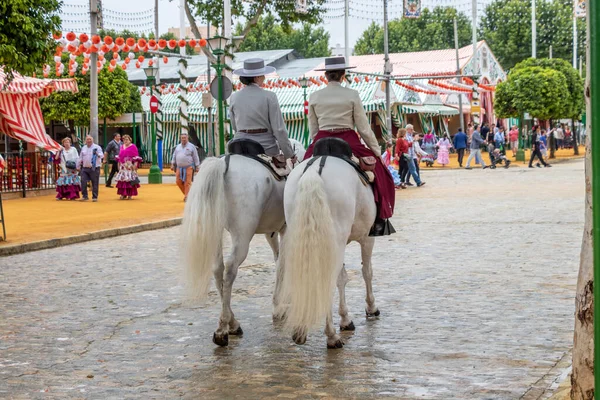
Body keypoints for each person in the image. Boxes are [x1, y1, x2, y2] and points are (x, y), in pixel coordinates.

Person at [305, 56, 396, 236]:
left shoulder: (314, 96)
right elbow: (363, 128)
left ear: (325, 76)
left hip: (321, 139)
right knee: (380, 174)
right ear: (343, 75)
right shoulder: (352, 95)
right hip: (348, 139)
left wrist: (315, 146)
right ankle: (380, 219)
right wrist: (377, 153)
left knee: (299, 172)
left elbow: (313, 130)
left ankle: (290, 216)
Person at [230, 58, 295, 161]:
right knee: (282, 174)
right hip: (265, 147)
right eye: (263, 75)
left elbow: (234, 126)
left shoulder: (234, 97)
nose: (264, 78)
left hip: (239, 145)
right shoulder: (270, 96)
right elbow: (279, 129)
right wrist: (289, 153)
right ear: (257, 77)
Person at [171, 133, 201, 201]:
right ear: (180, 139)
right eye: (182, 138)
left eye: (185, 138)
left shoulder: (192, 146)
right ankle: (189, 195)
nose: (183, 139)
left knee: (187, 182)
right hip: (179, 167)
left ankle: (187, 197)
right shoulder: (178, 147)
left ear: (187, 138)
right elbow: (174, 156)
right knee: (178, 181)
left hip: (189, 167)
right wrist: (172, 164)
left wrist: (197, 166)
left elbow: (195, 156)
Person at [76, 135, 104, 202]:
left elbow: (102, 155)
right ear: (85, 140)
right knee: (83, 181)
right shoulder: (83, 148)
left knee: (94, 183)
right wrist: (78, 166)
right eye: (87, 139)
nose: (88, 141)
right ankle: (84, 196)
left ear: (92, 140)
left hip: (94, 168)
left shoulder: (97, 147)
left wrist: (97, 154)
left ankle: (94, 197)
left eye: (90, 139)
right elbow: (80, 158)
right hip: (85, 168)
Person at [114, 135, 141, 200]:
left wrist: (135, 166)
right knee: (122, 180)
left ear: (130, 140)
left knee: (129, 180)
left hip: (130, 166)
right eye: (124, 140)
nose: (125, 141)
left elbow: (136, 157)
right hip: (123, 166)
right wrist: (119, 165)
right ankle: (123, 194)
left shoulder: (133, 147)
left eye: (127, 140)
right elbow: (120, 157)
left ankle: (130, 194)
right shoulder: (122, 147)